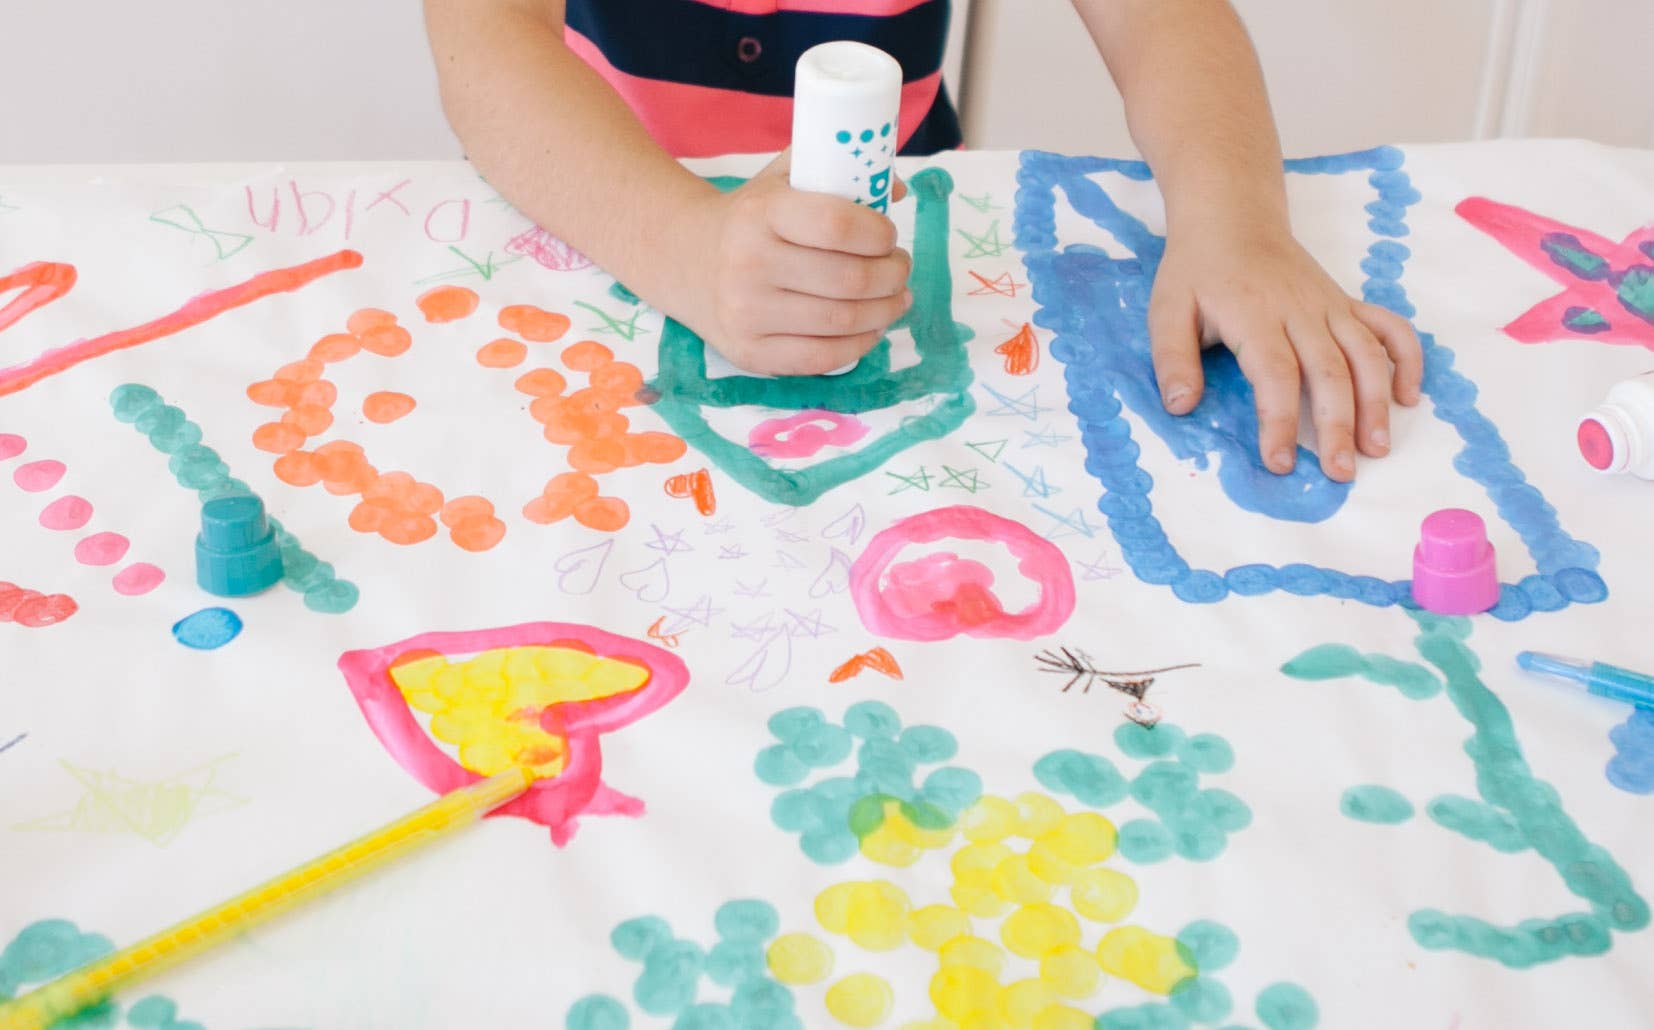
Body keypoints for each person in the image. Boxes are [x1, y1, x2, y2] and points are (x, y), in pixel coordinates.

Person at [425, 0, 1422, 482]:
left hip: (894, 250)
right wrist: (683, 246)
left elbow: (1164, 21)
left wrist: (1235, 221)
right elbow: (483, 51)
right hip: (602, 231)